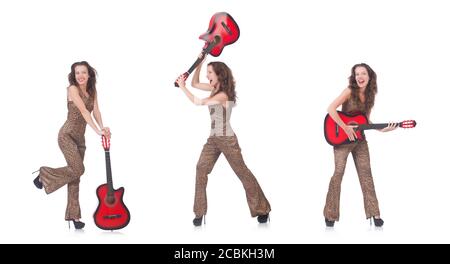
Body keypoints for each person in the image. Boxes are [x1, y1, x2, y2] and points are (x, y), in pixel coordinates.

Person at [176, 58, 271, 226]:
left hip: (227, 140)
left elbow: (198, 102)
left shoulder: (222, 95)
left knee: (243, 173)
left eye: (210, 72)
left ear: (219, 75)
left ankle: (262, 209)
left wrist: (182, 87)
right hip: (213, 139)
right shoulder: (214, 89)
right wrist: (200, 62)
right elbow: (196, 83)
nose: (207, 75)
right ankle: (199, 213)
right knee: (201, 168)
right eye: (207, 72)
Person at [33, 61, 111, 229]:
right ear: (73, 75)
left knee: (75, 177)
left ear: (89, 74)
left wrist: (102, 127)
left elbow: (95, 111)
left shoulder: (92, 90)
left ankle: (74, 217)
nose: (80, 76)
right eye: (77, 73)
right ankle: (43, 174)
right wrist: (97, 132)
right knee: (78, 169)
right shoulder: (72, 89)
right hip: (66, 135)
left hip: (80, 140)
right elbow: (83, 111)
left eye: (84, 72)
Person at [323, 63, 397, 227]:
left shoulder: (371, 95)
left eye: (363, 73)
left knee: (366, 175)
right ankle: (330, 214)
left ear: (369, 76)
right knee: (338, 174)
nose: (360, 77)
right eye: (357, 74)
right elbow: (331, 108)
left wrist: (382, 129)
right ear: (354, 77)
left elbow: (365, 121)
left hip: (360, 140)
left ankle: (375, 214)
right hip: (342, 140)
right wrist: (344, 127)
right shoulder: (350, 91)